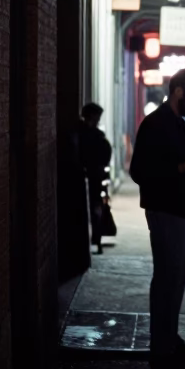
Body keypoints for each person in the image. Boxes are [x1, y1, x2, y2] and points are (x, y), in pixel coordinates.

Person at [130, 68, 185, 367]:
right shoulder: (157, 124)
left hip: (180, 209)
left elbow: (174, 162)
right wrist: (183, 168)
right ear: (178, 91)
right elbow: (140, 171)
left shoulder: (176, 123)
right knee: (168, 277)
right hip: (166, 210)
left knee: (176, 277)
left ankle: (168, 339)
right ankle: (162, 346)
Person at [79, 102, 113, 255]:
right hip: (94, 177)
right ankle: (96, 240)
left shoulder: (83, 134)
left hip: (93, 177)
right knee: (96, 209)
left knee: (95, 209)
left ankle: (96, 240)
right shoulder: (94, 136)